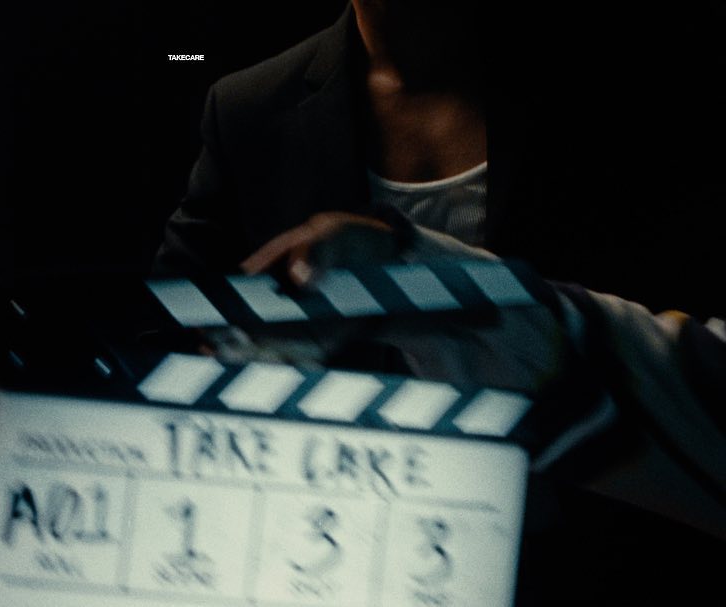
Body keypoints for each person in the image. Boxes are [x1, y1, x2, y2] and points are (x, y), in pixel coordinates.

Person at [156, 1, 725, 602]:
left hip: (586, 553)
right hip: (331, 545)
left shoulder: (616, 90)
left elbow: (663, 342)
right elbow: (166, 324)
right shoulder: (250, 105)